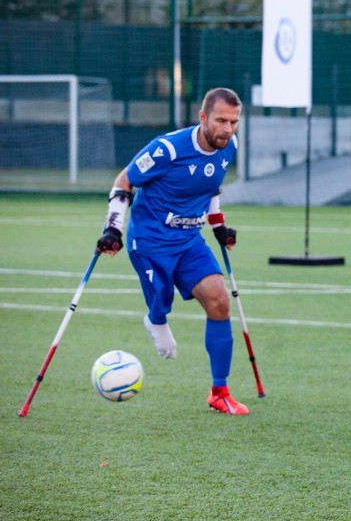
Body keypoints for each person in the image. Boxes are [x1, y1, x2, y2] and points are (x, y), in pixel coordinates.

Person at [96, 87, 249, 415]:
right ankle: (156, 319)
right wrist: (113, 228)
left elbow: (211, 186)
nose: (227, 129)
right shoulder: (167, 149)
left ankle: (219, 392)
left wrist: (219, 225)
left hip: (190, 239)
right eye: (221, 120)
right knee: (161, 302)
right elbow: (124, 180)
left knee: (219, 301)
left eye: (234, 122)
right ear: (203, 117)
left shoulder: (228, 147)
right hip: (150, 239)